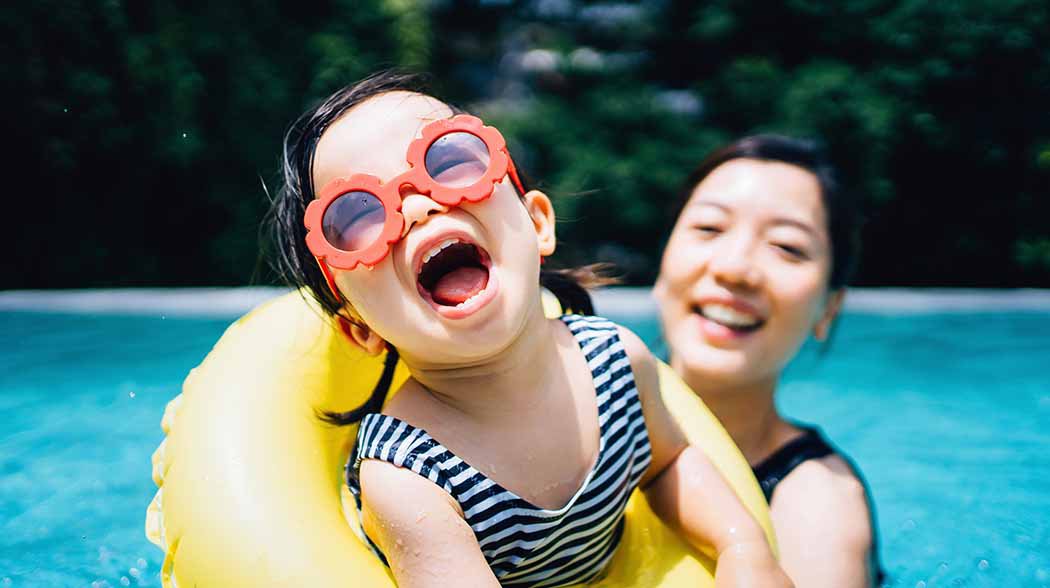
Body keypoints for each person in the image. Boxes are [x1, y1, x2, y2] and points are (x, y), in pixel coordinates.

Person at [267, 71, 791, 588]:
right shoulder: (408, 474)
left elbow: (669, 463)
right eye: (357, 214)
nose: (419, 205)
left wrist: (739, 544)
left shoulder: (615, 362)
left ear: (538, 223)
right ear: (361, 329)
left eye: (447, 160)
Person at [654, 135, 884, 587]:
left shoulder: (820, 504)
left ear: (829, 309)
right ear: (664, 262)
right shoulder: (564, 410)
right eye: (709, 229)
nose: (735, 268)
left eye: (788, 247)